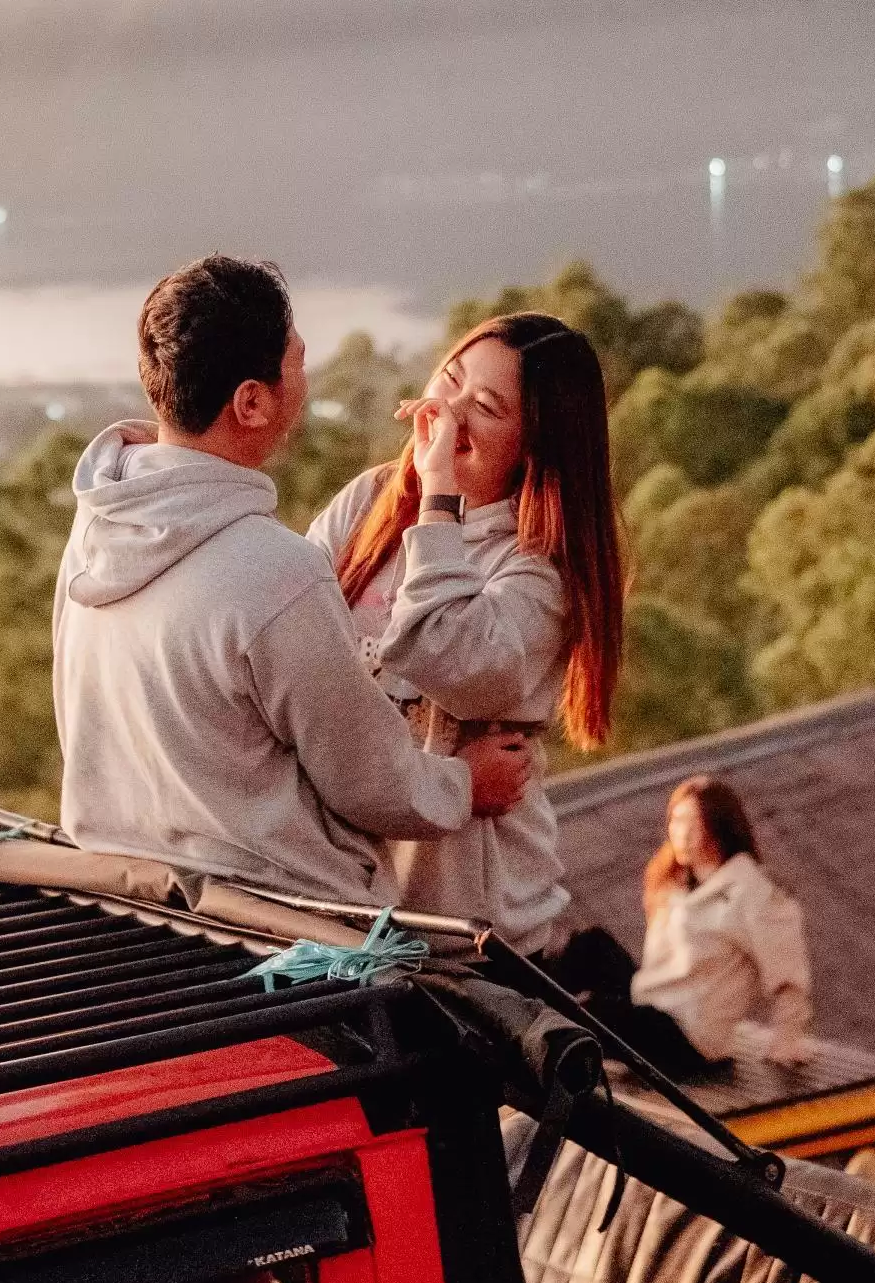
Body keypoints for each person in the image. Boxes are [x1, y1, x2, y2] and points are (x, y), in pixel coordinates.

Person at [53, 255, 535, 904]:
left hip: (127, 887)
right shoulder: (275, 571)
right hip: (276, 913)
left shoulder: (94, 533)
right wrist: (464, 785)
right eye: (297, 362)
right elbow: (367, 779)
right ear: (251, 402)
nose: (306, 380)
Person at [305, 313, 622, 954]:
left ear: (534, 445)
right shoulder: (367, 502)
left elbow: (451, 658)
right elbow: (293, 652)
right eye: (449, 380)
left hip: (475, 931)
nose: (448, 412)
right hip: (355, 906)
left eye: (484, 407)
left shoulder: (537, 567)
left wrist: (438, 501)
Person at [621, 776, 813, 1073]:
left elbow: (787, 972)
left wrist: (787, 1040)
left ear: (720, 828)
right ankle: (523, 1005)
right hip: (654, 1007)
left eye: (693, 823)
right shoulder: (677, 882)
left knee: (595, 1011)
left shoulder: (754, 890)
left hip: (689, 1036)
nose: (681, 834)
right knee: (591, 947)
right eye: (676, 821)